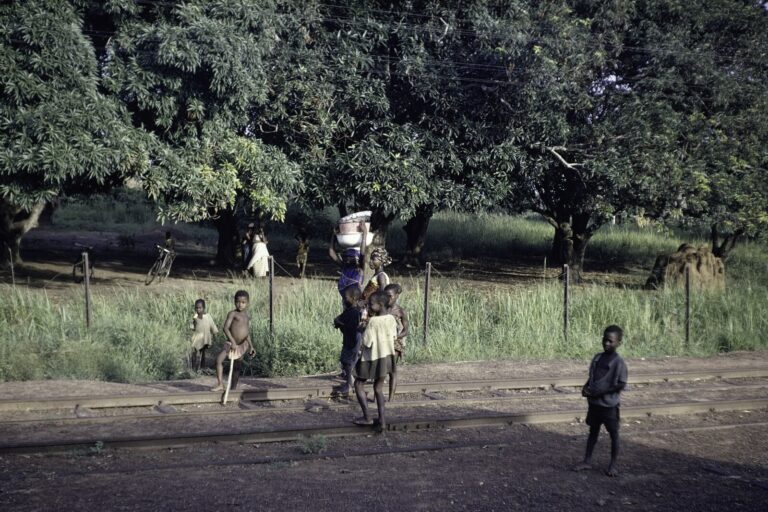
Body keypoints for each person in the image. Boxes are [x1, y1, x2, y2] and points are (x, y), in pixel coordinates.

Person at [573, 325, 628, 477]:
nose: (606, 344)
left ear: (618, 343)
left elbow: (621, 383)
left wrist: (602, 391)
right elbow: (592, 377)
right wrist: (585, 387)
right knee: (593, 432)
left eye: (610, 341)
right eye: (605, 340)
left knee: (614, 434)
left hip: (609, 406)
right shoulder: (597, 358)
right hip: (595, 404)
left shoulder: (618, 362)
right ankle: (587, 460)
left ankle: (613, 465)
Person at [352, 291, 398, 431]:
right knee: (378, 388)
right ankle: (382, 422)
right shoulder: (391, 318)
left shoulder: (372, 321)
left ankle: (367, 417)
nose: (370, 307)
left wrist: (362, 327)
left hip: (372, 358)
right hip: (387, 357)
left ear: (380, 304)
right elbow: (394, 335)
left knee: (358, 383)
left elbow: (367, 342)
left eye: (372, 304)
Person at [211, 290, 255, 392]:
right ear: (234, 302)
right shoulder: (232, 314)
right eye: (238, 302)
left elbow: (247, 333)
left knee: (237, 367)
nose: (240, 304)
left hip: (242, 345)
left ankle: (233, 389)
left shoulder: (247, 317)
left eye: (243, 302)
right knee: (218, 360)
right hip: (231, 343)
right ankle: (220, 384)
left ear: (247, 303)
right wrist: (233, 342)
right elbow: (225, 328)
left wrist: (251, 346)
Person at [333, 286, 364, 395]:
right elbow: (339, 319)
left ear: (354, 298)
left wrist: (340, 324)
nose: (344, 300)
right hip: (348, 340)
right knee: (345, 361)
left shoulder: (355, 313)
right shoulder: (349, 311)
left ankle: (349, 384)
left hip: (354, 341)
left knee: (349, 362)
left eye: (346, 297)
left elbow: (352, 328)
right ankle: (350, 383)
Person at [329, 221, 368, 304]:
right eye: (345, 257)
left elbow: (362, 253)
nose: (347, 259)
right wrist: (334, 235)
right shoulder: (344, 267)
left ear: (357, 259)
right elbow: (331, 253)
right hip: (346, 305)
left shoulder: (360, 269)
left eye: (350, 258)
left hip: (357, 306)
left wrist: (364, 233)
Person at [384, 283, 409, 402]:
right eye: (385, 296)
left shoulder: (400, 311)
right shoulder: (381, 308)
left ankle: (391, 398)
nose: (387, 298)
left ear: (397, 296)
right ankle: (378, 396)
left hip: (395, 344)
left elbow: (406, 330)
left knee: (392, 370)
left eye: (390, 296)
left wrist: (396, 337)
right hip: (382, 342)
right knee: (381, 370)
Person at [190, 299, 218, 371]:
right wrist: (194, 323)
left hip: (205, 338)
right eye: (196, 308)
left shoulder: (208, 316)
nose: (198, 309)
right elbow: (192, 328)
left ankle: (202, 368)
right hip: (197, 338)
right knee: (194, 352)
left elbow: (212, 325)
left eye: (200, 308)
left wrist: (215, 333)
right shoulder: (195, 317)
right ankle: (193, 368)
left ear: (204, 308)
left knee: (203, 353)